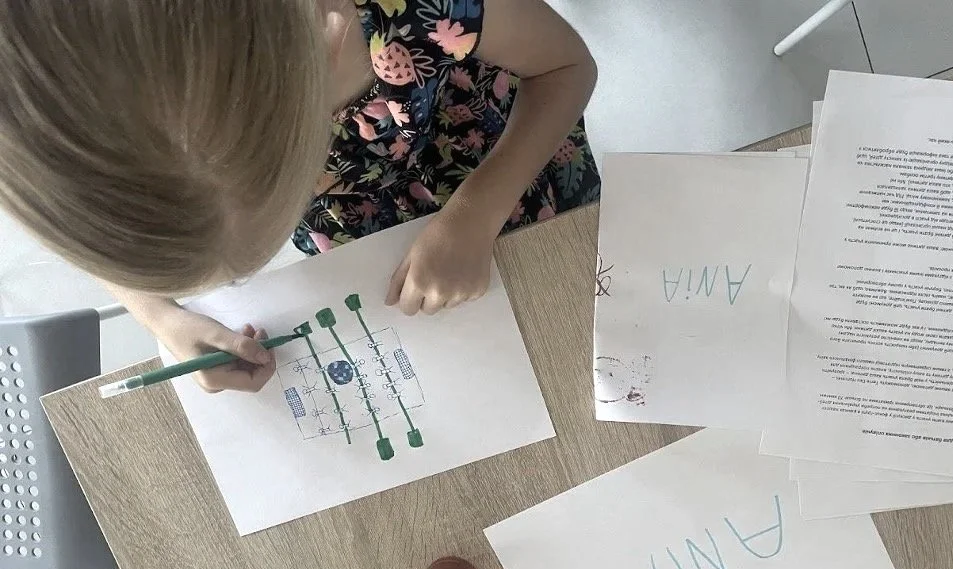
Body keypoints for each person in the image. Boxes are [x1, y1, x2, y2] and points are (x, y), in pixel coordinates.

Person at [0, 0, 600, 393]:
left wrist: (476, 213)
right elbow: (85, 212)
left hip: (494, 153)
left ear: (326, 33)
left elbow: (567, 67)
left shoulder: (417, 11)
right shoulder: (44, 109)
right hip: (362, 218)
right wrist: (161, 316)